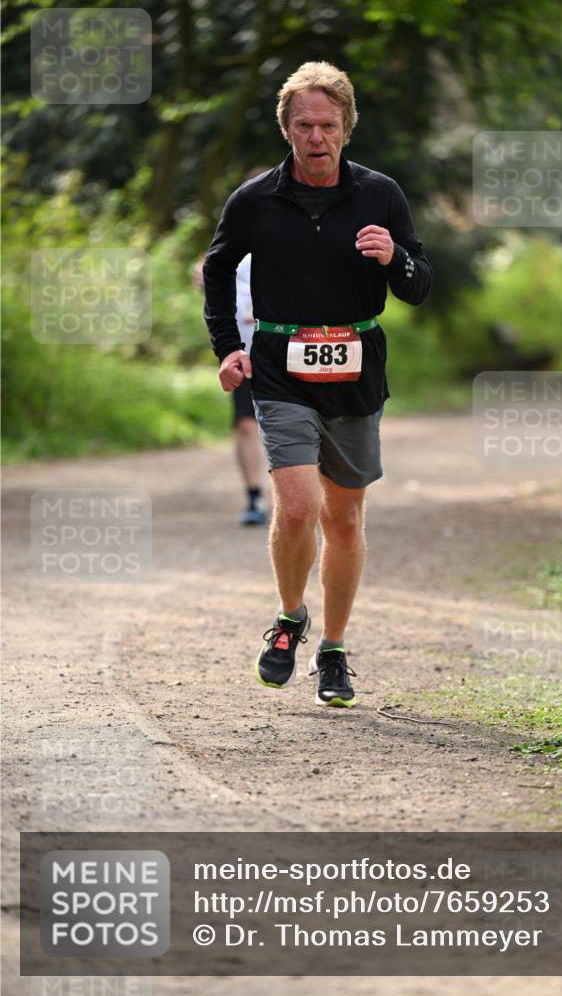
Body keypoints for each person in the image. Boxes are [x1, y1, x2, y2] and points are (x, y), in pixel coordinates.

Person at [203, 61, 432, 707]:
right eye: (303, 124)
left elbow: (418, 285)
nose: (315, 136)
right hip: (279, 365)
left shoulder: (379, 194)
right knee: (298, 505)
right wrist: (228, 349)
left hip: (356, 365)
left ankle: (332, 649)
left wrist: (395, 258)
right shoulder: (253, 200)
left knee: (344, 516)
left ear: (346, 129)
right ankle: (286, 618)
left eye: (327, 124)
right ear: (286, 128)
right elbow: (218, 272)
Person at [193, 251, 267, 525]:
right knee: (246, 425)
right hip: (242, 353)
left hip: (284, 351)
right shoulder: (234, 240)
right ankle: (254, 496)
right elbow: (207, 264)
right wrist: (200, 272)